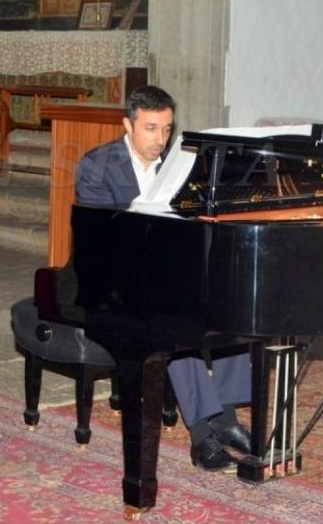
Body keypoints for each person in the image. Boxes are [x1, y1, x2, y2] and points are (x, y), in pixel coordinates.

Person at [75, 86, 252, 472]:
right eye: (151, 129)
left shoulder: (181, 165)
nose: (160, 140)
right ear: (128, 124)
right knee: (172, 325)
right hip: (114, 284)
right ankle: (204, 432)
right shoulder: (98, 166)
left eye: (167, 129)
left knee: (233, 308)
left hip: (171, 274)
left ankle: (226, 415)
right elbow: (99, 241)